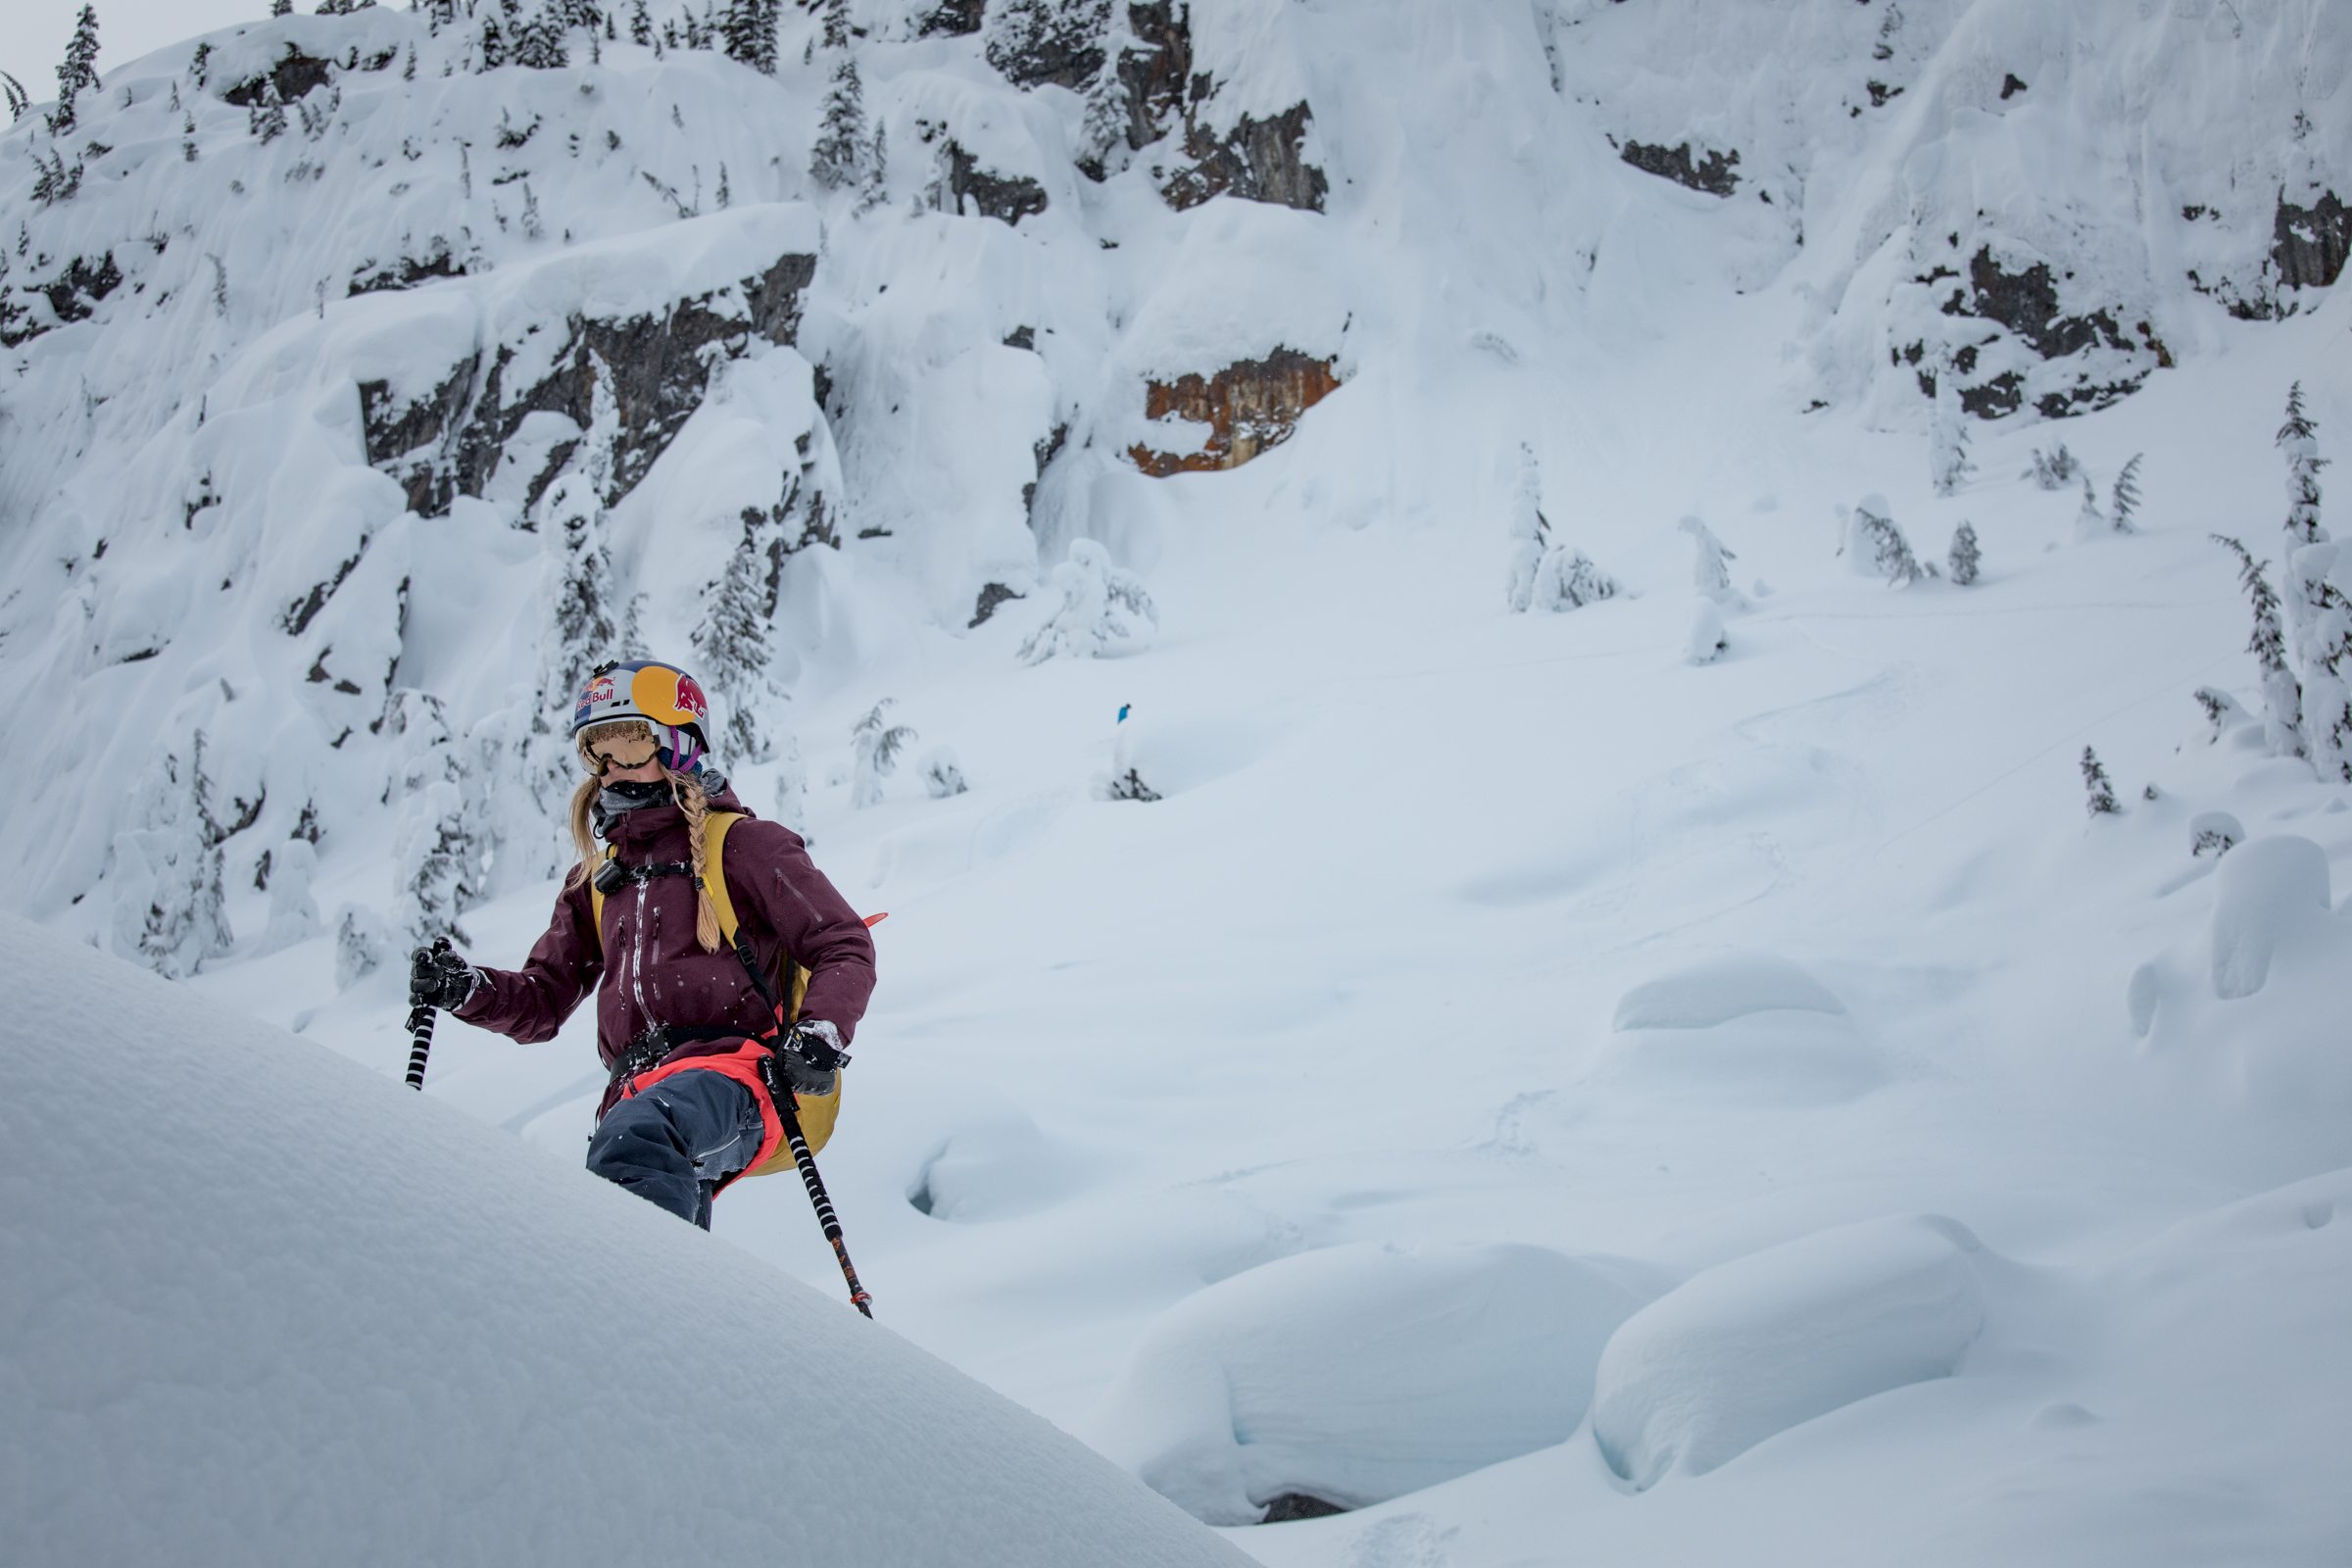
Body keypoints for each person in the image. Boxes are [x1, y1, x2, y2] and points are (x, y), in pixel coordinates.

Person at [409, 659, 876, 1229]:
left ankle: (634, 1309)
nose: (610, 768)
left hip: (740, 1079)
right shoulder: (597, 883)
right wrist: (467, 990)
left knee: (637, 1145)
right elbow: (542, 1001)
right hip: (634, 1092)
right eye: (595, 751)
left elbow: (842, 942)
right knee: (634, 1185)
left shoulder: (746, 847)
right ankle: (666, 1311)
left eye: (629, 744)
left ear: (678, 744)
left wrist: (820, 1034)